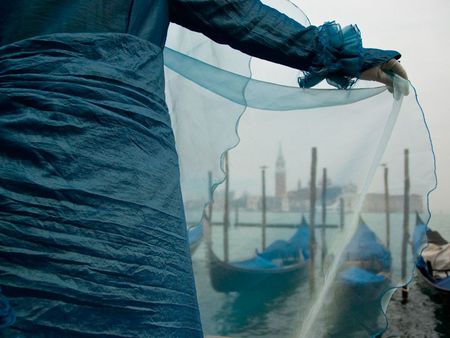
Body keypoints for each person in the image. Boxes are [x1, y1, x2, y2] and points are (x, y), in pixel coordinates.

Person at [0, 0, 407, 336]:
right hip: (109, 158)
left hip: (77, 158)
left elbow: (233, 12)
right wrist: (349, 59)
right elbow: (235, 13)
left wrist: (345, 59)